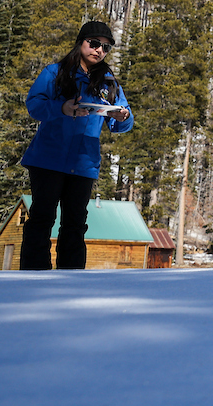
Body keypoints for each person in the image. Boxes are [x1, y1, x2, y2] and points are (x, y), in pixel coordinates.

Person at [20, 21, 134, 270]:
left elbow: (124, 122)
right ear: (80, 42)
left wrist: (122, 117)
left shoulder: (109, 83)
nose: (99, 50)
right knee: (42, 218)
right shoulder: (55, 73)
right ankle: (32, 276)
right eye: (94, 44)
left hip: (84, 163)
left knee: (75, 223)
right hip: (48, 159)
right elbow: (34, 105)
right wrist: (62, 108)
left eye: (105, 47)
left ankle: (71, 278)